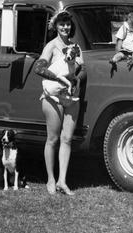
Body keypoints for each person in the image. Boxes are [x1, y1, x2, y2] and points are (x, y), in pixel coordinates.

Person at [34, 10, 86, 195]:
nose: (65, 27)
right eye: (62, 24)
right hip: (53, 98)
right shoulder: (51, 46)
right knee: (53, 139)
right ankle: (50, 179)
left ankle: (62, 181)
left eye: (68, 24)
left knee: (67, 139)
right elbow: (38, 68)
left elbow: (82, 69)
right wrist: (59, 79)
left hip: (71, 98)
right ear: (55, 26)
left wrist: (76, 78)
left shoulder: (75, 46)